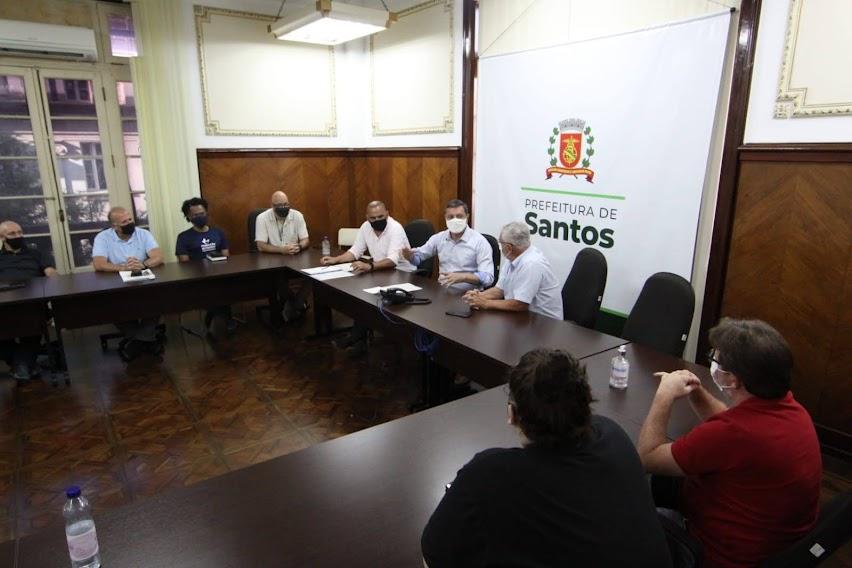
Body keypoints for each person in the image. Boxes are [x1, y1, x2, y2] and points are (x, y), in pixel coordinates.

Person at [421, 348, 672, 567]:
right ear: (585, 405)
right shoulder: (612, 434)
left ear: (512, 414)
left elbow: (432, 557)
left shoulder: (489, 474)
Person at [637, 318, 822, 568]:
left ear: (733, 380)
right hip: (773, 541)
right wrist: (696, 391)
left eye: (717, 358)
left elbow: (647, 458)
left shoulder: (735, 434)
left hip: (718, 554)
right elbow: (727, 423)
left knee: (628, 506)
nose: (713, 362)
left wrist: (663, 395)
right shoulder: (792, 411)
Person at [321, 200, 413, 355]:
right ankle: (359, 340)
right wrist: (335, 260)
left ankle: (357, 337)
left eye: (380, 216)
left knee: (367, 297)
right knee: (360, 295)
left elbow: (392, 260)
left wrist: (369, 266)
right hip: (381, 272)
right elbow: (355, 251)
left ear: (387, 214)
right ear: (367, 217)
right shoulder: (365, 227)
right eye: (373, 218)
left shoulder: (395, 228)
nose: (377, 221)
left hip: (403, 274)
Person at [92, 206, 164, 360]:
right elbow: (99, 264)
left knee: (158, 298)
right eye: (125, 222)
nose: (130, 223)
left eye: (130, 219)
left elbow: (158, 256)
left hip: (143, 280)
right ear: (115, 226)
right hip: (117, 283)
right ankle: (146, 339)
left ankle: (137, 341)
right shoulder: (103, 237)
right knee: (112, 304)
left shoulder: (143, 234)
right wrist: (123, 267)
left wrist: (143, 264)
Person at [463, 221, 562, 319]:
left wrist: (485, 303)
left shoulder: (532, 264)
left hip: (544, 323)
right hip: (524, 317)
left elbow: (520, 304)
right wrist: (479, 296)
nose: (500, 246)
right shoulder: (513, 258)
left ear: (508, 247)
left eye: (501, 243)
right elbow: (500, 290)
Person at [0, 220, 56, 381]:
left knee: (33, 326)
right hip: (4, 304)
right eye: (12, 234)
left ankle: (22, 366)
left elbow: (51, 272)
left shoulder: (36, 253)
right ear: (2, 237)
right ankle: (24, 364)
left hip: (32, 303)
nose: (17, 236)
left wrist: (54, 281)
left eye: (19, 232)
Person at [401, 199, 493, 291]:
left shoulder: (480, 242)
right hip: (443, 291)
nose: (455, 220)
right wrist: (410, 257)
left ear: (467, 217)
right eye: (451, 217)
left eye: (459, 216)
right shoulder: (439, 238)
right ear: (445, 218)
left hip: (468, 294)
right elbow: (418, 258)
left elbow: (488, 278)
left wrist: (464, 277)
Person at [175, 197, 234, 339]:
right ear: (188, 217)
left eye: (202, 213)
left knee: (227, 287)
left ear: (206, 213)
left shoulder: (218, 233)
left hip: (219, 275)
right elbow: (184, 263)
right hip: (198, 279)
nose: (200, 217)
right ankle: (221, 318)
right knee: (215, 292)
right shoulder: (183, 237)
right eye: (196, 215)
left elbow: (226, 256)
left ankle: (214, 316)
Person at [255, 190, 310, 322]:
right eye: (279, 205)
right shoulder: (262, 218)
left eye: (286, 204)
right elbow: (261, 246)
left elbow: (305, 239)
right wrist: (281, 250)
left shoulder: (297, 216)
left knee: (312, 275)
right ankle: (294, 303)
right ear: (272, 206)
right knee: (279, 277)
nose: (283, 208)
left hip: (295, 258)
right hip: (273, 260)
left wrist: (300, 246)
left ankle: (297, 302)